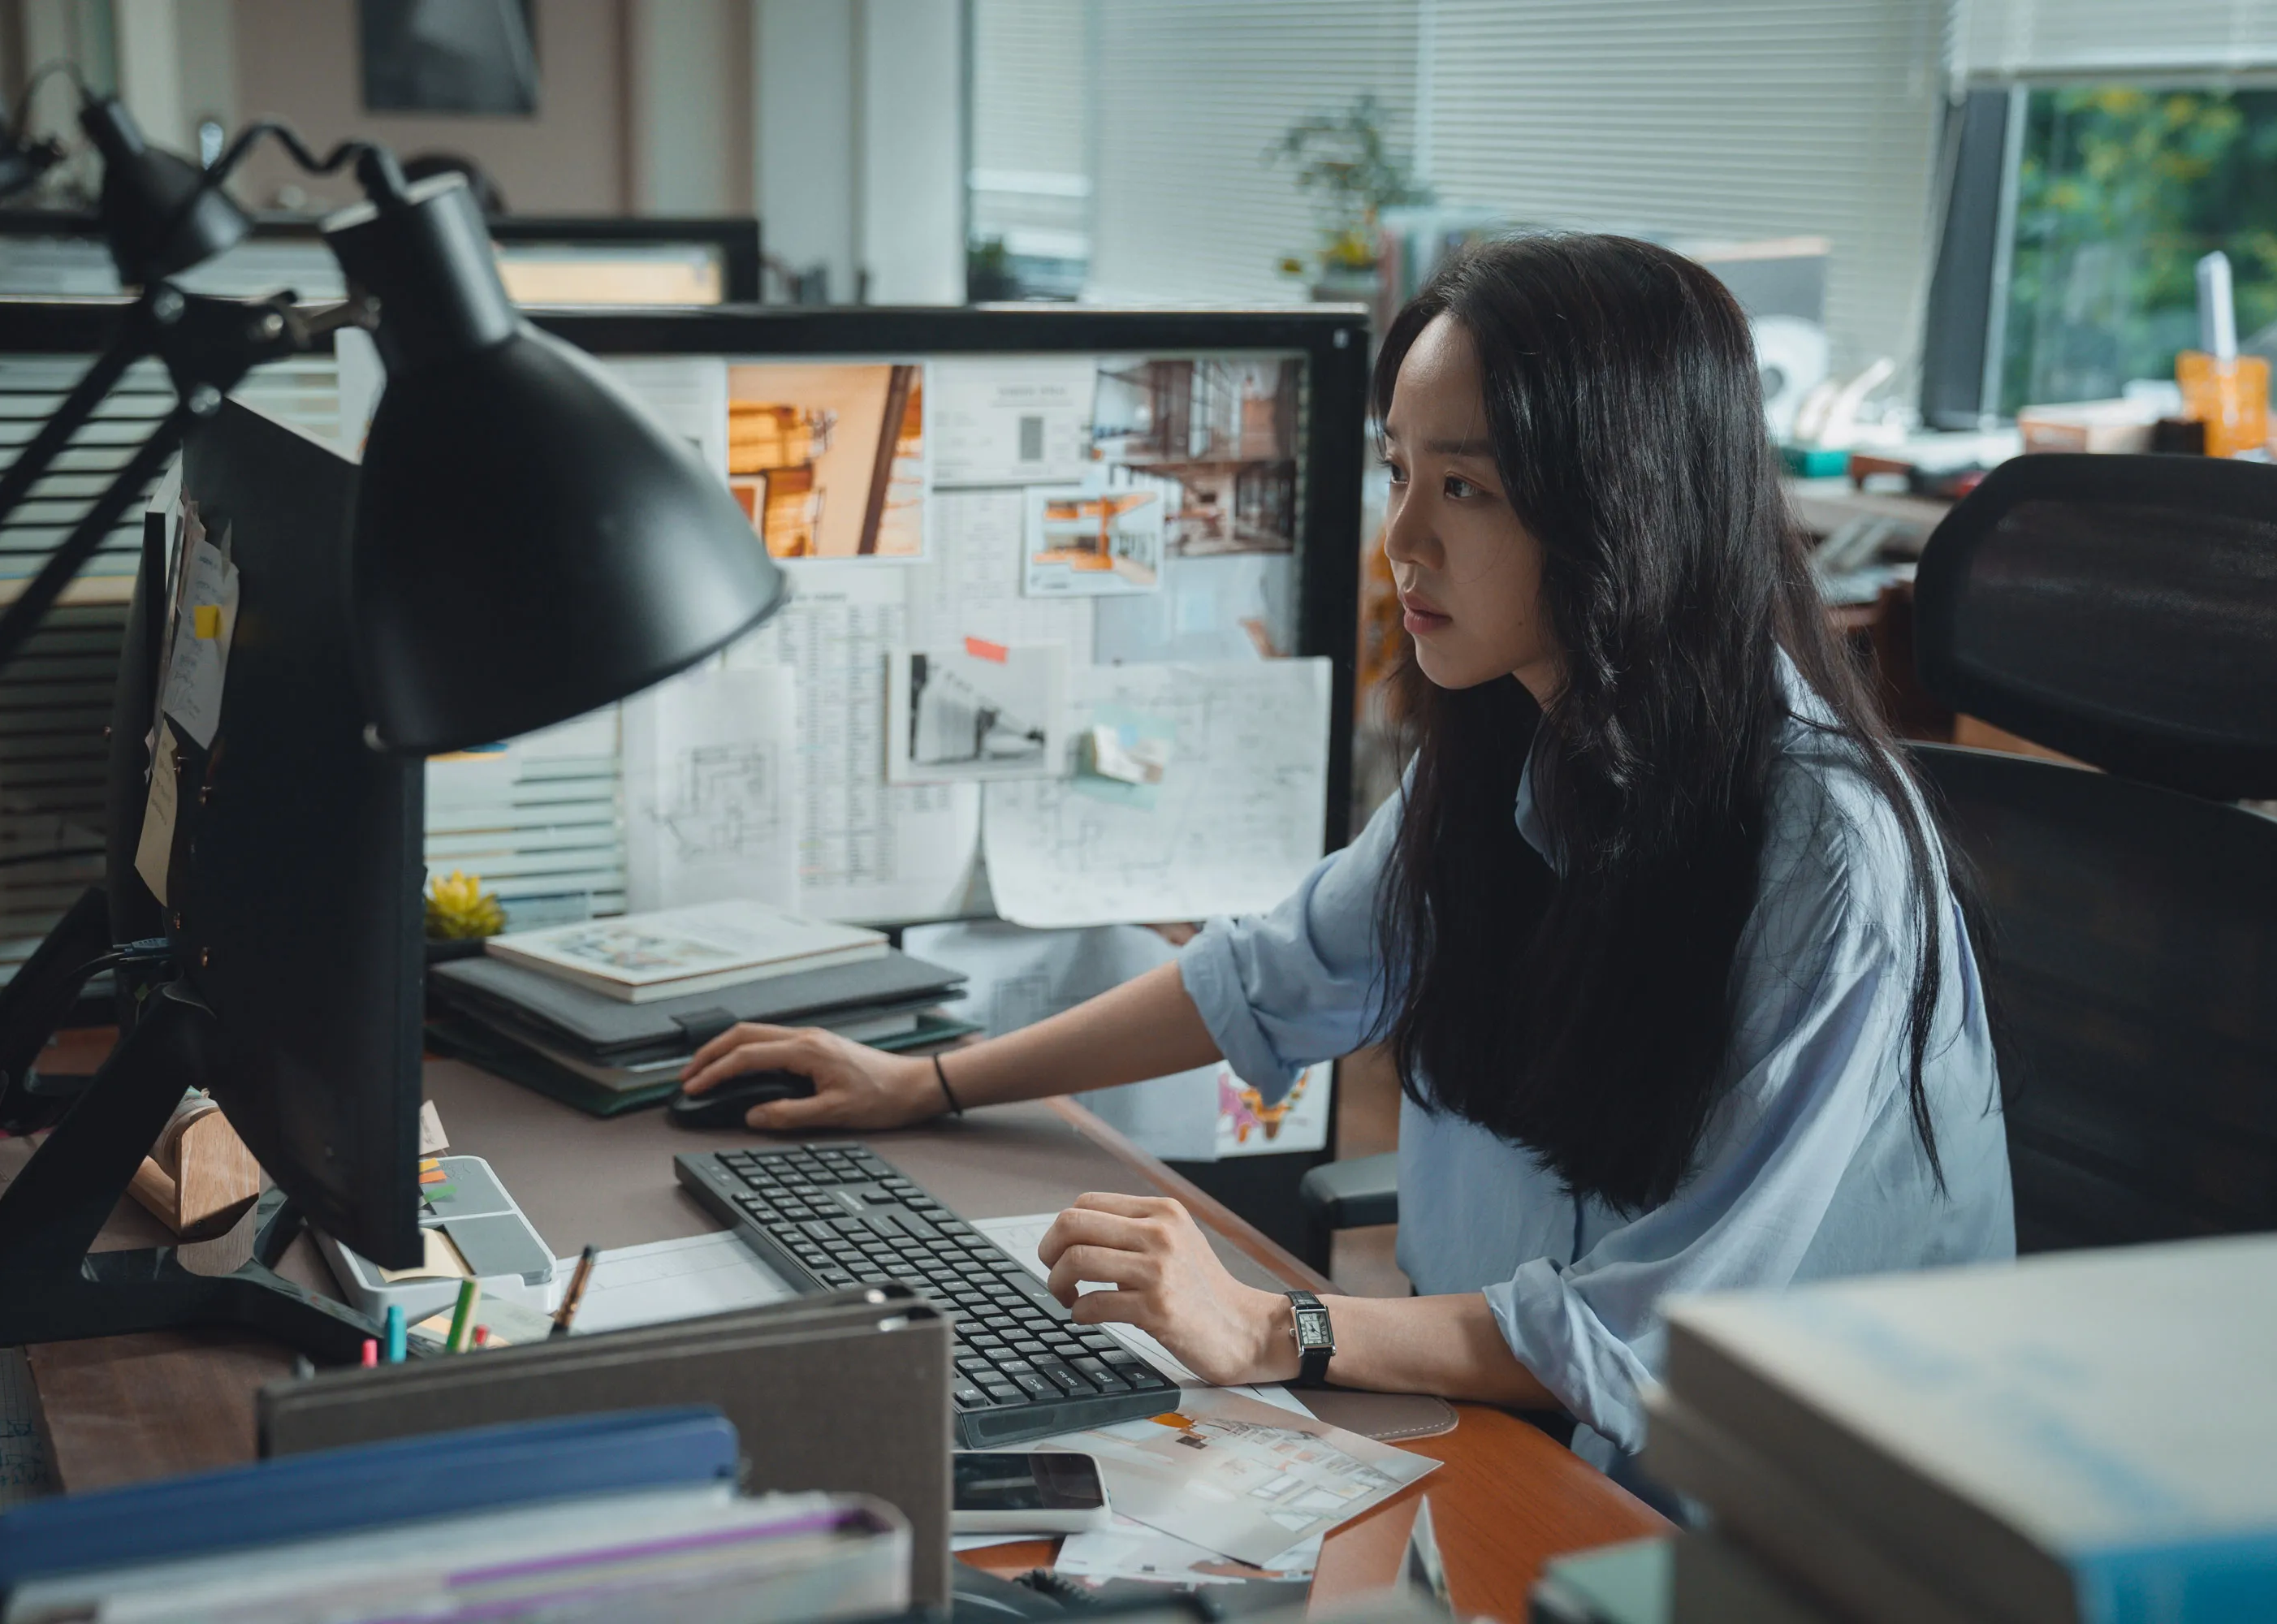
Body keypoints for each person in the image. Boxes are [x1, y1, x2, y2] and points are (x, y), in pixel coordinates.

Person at [677, 232, 2013, 1477]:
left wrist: (1281, 1330)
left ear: (1624, 512)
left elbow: (1656, 1335)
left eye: (1468, 490)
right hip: (1500, 1440)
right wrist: (925, 1084)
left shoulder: (1827, 862)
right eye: (1398, 471)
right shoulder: (1510, 750)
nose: (1402, 541)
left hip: (1763, 1524)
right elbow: (1267, 977)